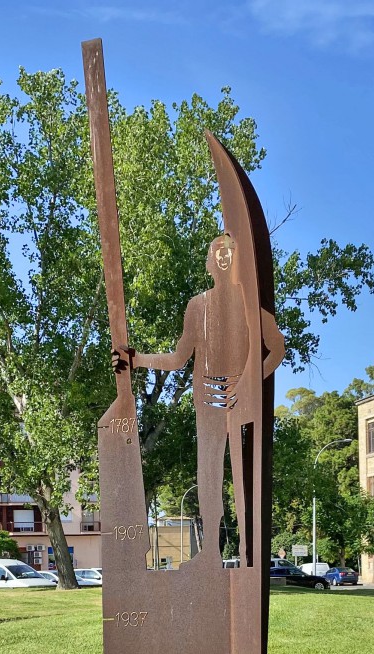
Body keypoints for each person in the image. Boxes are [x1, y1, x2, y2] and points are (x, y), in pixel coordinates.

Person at [113, 234, 284, 564]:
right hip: (206, 399)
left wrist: (249, 382)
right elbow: (179, 358)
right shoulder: (198, 306)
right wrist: (138, 359)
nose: (222, 259)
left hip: (241, 400)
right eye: (217, 254)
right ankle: (211, 553)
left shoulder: (251, 306)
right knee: (208, 475)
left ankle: (250, 553)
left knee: (244, 475)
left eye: (229, 254)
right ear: (209, 263)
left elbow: (276, 349)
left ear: (237, 262)